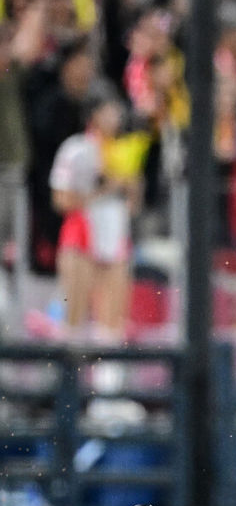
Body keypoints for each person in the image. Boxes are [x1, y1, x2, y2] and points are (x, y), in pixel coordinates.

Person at [49, 88, 142, 339]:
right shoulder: (76, 149)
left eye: (117, 111)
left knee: (113, 326)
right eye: (109, 111)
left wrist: (131, 189)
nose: (115, 117)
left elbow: (134, 205)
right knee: (73, 321)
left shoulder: (126, 150)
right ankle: (68, 376)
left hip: (115, 236)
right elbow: (60, 200)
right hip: (81, 237)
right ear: (94, 114)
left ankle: (110, 377)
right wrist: (103, 189)